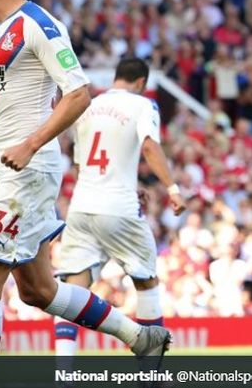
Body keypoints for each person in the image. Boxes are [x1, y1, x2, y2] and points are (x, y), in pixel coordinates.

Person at [0, 0, 168, 387]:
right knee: (39, 290)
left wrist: (30, 143)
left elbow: (78, 94)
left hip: (29, 172)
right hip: (9, 170)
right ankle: (140, 337)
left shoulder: (40, 25)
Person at [53, 58, 186, 360]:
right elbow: (150, 146)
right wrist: (173, 189)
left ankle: (63, 374)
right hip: (120, 208)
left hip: (82, 206)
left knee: (73, 289)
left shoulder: (87, 106)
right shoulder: (143, 105)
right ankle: (151, 373)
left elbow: (83, 162)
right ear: (142, 82)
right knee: (146, 280)